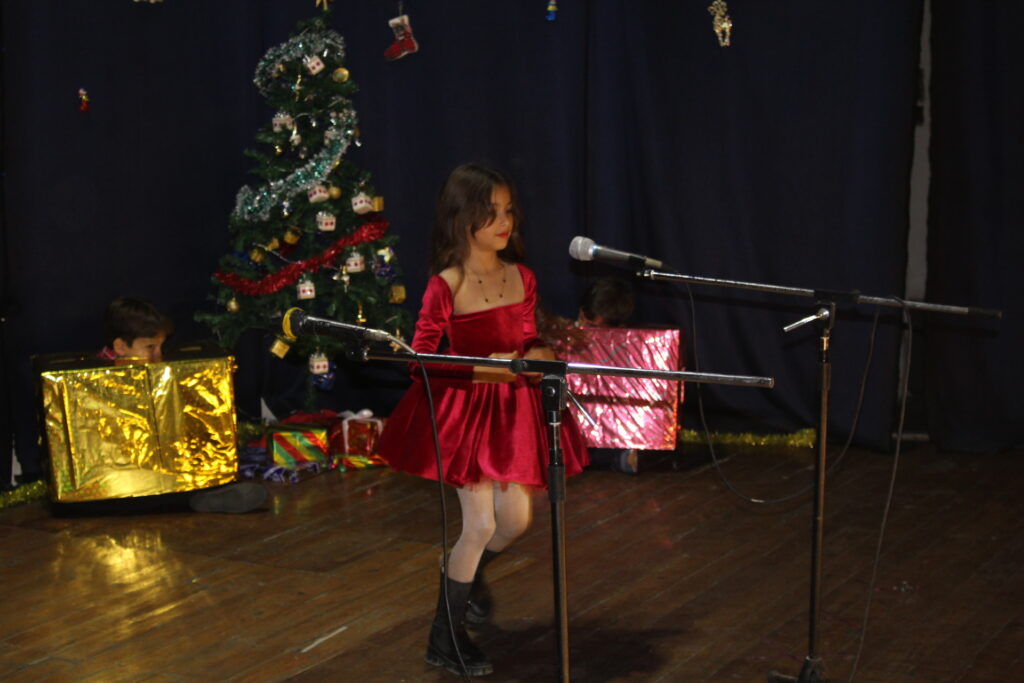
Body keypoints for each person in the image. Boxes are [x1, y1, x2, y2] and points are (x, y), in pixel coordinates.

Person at [377, 164, 589, 677]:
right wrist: (481, 367)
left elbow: (527, 339)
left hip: (513, 413)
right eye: (490, 213)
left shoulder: (522, 277)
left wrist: (538, 354)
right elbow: (420, 360)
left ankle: (462, 574)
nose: (504, 222)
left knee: (515, 522)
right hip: (467, 414)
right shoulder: (446, 284)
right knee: (481, 524)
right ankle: (444, 638)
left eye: (508, 211)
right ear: (461, 218)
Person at [85, 297, 267, 514]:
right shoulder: (93, 382)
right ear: (121, 347)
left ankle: (208, 493)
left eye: (161, 346)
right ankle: (198, 499)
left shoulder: (151, 374)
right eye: (150, 347)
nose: (158, 356)